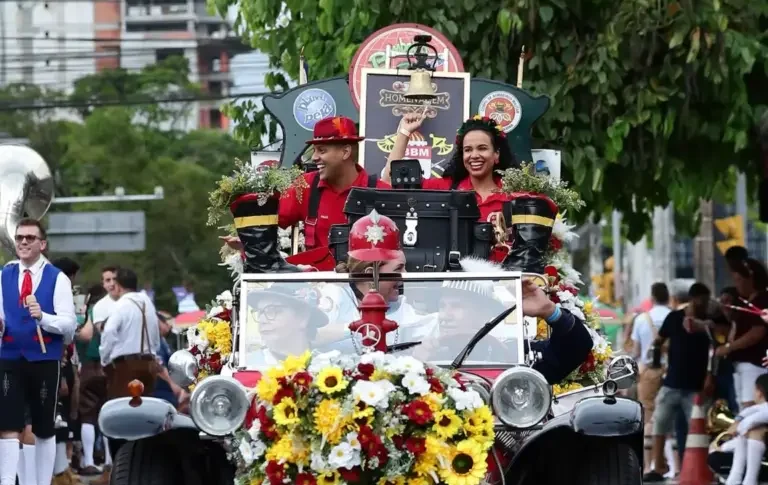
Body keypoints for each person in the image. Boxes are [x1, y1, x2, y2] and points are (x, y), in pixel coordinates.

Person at [221, 116, 391, 254]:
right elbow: (269, 217)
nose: (314, 157)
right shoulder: (305, 186)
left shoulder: (381, 192)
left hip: (367, 284)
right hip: (317, 283)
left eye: (322, 150)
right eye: (314, 150)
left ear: (345, 152)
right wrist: (250, 239)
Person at [0, 219, 77, 485]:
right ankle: (7, 481)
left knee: (43, 427)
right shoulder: (5, 274)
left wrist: (43, 317)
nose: (23, 242)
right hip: (9, 356)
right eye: (20, 237)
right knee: (7, 425)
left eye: (30, 238)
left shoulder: (58, 278)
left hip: (44, 358)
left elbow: (69, 326)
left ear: (42, 244)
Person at [643, 283, 717, 483]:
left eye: (706, 301)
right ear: (692, 299)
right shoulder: (674, 318)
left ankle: (696, 467)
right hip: (672, 383)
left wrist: (710, 375)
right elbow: (659, 340)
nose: (704, 304)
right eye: (701, 300)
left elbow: (715, 350)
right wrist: (660, 360)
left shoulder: (708, 323)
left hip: (695, 386)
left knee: (697, 428)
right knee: (659, 423)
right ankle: (658, 466)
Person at [381, 114, 518, 222]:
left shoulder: (514, 195)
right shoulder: (446, 188)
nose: (474, 155)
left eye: (482, 148)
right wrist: (405, 132)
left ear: (496, 154)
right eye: (468, 150)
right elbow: (389, 182)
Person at [78, 267, 118, 484]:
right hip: (112, 365)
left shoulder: (93, 309)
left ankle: (89, 460)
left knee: (88, 414)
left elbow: (84, 335)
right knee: (110, 412)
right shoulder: (121, 306)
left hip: (90, 365)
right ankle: (111, 460)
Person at [98, 267, 161, 400]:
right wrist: (154, 352)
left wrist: (104, 359)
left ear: (118, 285)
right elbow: (156, 330)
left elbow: (109, 331)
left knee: (124, 405)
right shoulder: (147, 302)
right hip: (149, 363)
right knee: (146, 404)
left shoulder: (120, 305)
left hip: (126, 366)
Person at [630, 282, 671, 473]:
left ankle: (648, 466)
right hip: (671, 371)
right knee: (669, 415)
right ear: (668, 297)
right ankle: (671, 464)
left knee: (647, 416)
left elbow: (637, 351)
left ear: (652, 297)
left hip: (648, 372)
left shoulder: (641, 319)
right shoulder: (674, 317)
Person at [718, 258, 768, 410]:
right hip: (740, 363)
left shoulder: (762, 300)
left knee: (750, 406)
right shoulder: (745, 302)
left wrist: (729, 347)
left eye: (739, 280)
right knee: (742, 406)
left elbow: (757, 332)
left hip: (754, 363)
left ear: (751, 279)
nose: (736, 284)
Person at [722, 373, 768, 485]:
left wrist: (738, 428)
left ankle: (749, 480)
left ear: (759, 392)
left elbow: (751, 420)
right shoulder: (759, 407)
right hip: (754, 451)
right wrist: (738, 421)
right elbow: (746, 413)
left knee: (753, 431)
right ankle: (736, 479)